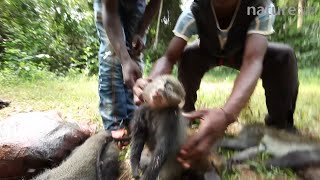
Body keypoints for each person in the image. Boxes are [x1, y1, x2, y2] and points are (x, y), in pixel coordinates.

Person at [133, 0, 299, 169]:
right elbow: (169, 57)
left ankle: (280, 126)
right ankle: (184, 113)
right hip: (207, 52)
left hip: (244, 51)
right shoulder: (194, 12)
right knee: (188, 55)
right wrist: (150, 84)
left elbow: (253, 61)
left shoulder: (260, 7)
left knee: (284, 56)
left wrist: (226, 114)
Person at [94, 0, 161, 147]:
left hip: (136, 4)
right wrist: (124, 60)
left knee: (134, 51)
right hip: (108, 6)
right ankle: (115, 122)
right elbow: (110, 13)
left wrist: (140, 32)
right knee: (112, 52)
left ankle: (132, 117)